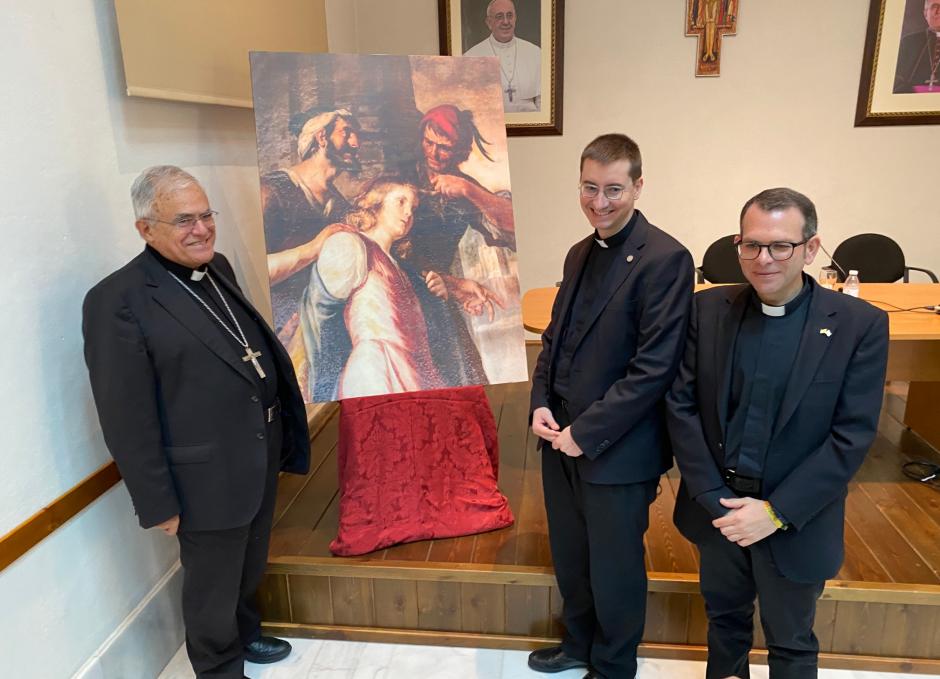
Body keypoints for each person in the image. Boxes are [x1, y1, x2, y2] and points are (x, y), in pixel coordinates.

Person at [82, 166, 311, 679]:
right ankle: (218, 667)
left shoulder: (218, 266)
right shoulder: (117, 301)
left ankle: (246, 634)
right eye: (184, 219)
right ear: (146, 228)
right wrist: (156, 501)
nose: (202, 229)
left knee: (248, 564)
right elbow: (125, 415)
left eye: (206, 214)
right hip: (201, 477)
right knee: (211, 584)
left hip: (254, 453)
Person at [666, 188, 889, 678]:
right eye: (751, 245)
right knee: (724, 624)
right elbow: (680, 406)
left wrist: (775, 513)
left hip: (796, 519)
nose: (763, 259)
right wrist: (712, 497)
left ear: (811, 249)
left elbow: (851, 437)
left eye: (780, 246)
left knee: (791, 640)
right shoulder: (707, 310)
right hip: (719, 512)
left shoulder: (859, 325)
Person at [528, 134, 694, 679]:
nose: (600, 202)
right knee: (572, 557)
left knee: (616, 566)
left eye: (614, 190)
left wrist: (586, 432)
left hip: (617, 446)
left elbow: (654, 368)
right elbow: (555, 339)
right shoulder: (580, 251)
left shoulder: (666, 258)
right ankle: (578, 644)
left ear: (638, 186)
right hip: (561, 437)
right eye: (590, 188)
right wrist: (540, 404)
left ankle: (615, 664)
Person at [398, 104, 515, 386]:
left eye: (444, 147)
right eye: (429, 142)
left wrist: (469, 190)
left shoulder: (462, 187)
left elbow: (510, 229)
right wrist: (456, 285)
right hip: (402, 295)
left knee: (465, 378)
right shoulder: (401, 177)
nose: (434, 153)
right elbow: (392, 252)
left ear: (460, 150)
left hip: (439, 297)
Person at [302, 177, 445, 399]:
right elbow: (323, 314)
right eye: (400, 202)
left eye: (413, 208)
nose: (408, 213)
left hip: (415, 374)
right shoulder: (351, 246)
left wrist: (437, 295)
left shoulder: (404, 269)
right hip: (377, 370)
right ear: (375, 202)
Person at [260, 108, 361, 335]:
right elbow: (251, 272)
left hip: (318, 326)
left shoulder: (339, 206)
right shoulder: (272, 191)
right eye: (347, 133)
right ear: (322, 137)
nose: (356, 143)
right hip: (277, 328)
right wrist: (314, 248)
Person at [464, 0, 542, 112]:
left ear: (515, 18)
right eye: (499, 16)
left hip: (529, 127)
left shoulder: (535, 52)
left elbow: (542, 102)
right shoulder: (471, 57)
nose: (506, 21)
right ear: (489, 22)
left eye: (510, 15)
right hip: (490, 126)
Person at [894, 0, 940, 93]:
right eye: (934, 7)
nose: (937, 12)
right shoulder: (908, 42)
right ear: (925, 14)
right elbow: (893, 79)